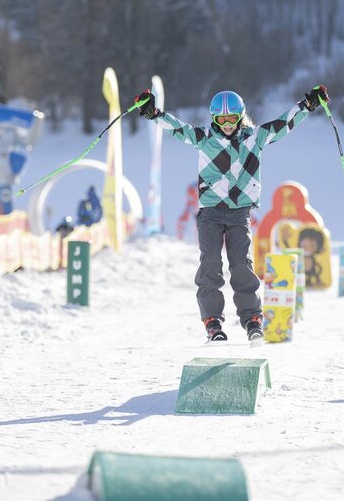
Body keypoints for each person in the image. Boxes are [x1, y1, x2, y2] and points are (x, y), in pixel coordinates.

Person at [134, 84, 330, 342]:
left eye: (232, 119)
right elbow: (178, 129)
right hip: (211, 212)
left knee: (241, 264)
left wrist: (308, 105)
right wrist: (154, 113)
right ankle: (212, 320)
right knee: (210, 263)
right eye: (221, 120)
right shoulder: (204, 138)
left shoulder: (255, 137)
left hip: (239, 212)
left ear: (241, 116)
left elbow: (284, 124)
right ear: (214, 119)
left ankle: (252, 319)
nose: (227, 125)